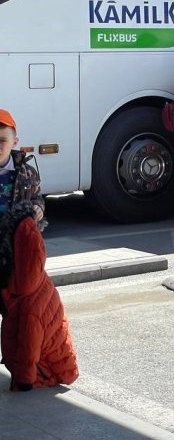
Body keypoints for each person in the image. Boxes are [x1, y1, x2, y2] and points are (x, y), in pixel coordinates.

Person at [0, 109, 78, 390]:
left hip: (17, 258)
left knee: (17, 314)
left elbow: (39, 202)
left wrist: (36, 211)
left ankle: (19, 362)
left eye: (2, 140)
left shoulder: (26, 172)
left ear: (14, 141)